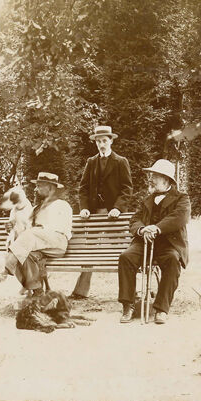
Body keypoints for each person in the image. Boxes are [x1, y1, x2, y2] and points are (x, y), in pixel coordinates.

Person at [117, 159, 190, 324]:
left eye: (155, 176)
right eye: (151, 175)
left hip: (168, 244)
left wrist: (156, 228)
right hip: (144, 242)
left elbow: (179, 218)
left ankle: (161, 309)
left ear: (166, 179)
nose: (151, 179)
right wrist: (142, 230)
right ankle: (128, 305)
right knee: (126, 257)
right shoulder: (147, 199)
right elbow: (135, 219)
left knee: (172, 260)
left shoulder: (181, 198)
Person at [71, 125, 133, 299]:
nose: (101, 144)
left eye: (104, 141)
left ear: (111, 141)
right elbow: (83, 188)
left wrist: (117, 208)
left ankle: (131, 291)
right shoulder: (91, 162)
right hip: (94, 213)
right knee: (90, 250)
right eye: (98, 141)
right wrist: (83, 208)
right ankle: (81, 291)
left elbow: (127, 189)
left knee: (123, 251)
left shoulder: (121, 161)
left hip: (114, 215)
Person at [0, 172, 72, 295]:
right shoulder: (37, 208)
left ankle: (5, 269)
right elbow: (26, 233)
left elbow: (60, 229)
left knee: (29, 236)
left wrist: (36, 231)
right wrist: (11, 227)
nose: (36, 189)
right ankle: (38, 292)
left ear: (51, 187)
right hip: (39, 244)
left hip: (57, 242)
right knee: (23, 254)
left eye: (40, 185)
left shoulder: (62, 205)